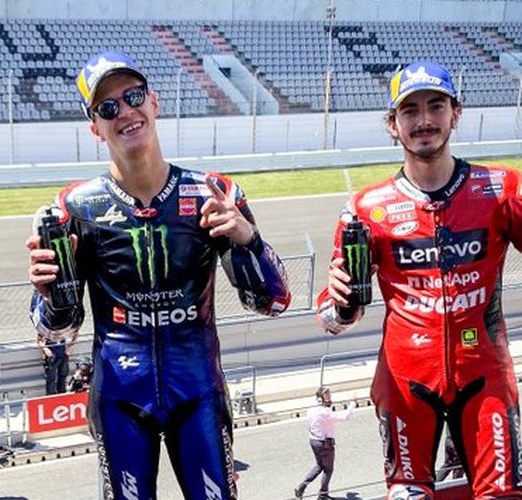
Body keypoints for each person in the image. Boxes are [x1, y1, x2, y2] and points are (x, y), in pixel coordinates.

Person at [28, 50, 291, 500]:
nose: (125, 112)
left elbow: (273, 301)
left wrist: (249, 239)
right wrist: (48, 296)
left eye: (133, 97)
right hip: (119, 396)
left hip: (198, 391)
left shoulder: (215, 193)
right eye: (108, 107)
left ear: (154, 102)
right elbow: (56, 333)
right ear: (94, 127)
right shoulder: (73, 207)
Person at [317, 60, 522, 499]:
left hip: (486, 373)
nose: (424, 120)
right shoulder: (364, 209)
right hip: (405, 380)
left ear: (456, 114)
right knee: (406, 494)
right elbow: (332, 317)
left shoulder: (502, 188)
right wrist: (339, 303)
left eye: (436, 106)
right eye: (410, 111)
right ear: (392, 125)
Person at [294, 387, 355, 500]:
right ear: (321, 400)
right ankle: (323, 494)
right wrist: (352, 403)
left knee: (319, 466)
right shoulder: (325, 413)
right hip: (324, 444)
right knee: (328, 469)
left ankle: (302, 486)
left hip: (314, 441)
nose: (330, 400)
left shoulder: (311, 410)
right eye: (327, 397)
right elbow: (345, 417)